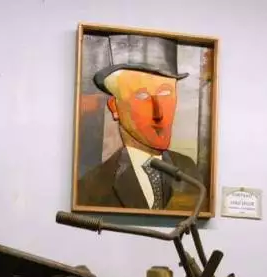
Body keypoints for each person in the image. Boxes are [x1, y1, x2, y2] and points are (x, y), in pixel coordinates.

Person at [77, 34, 202, 211]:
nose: (159, 114)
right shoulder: (92, 186)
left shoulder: (188, 170)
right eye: (142, 96)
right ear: (115, 107)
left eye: (165, 93)